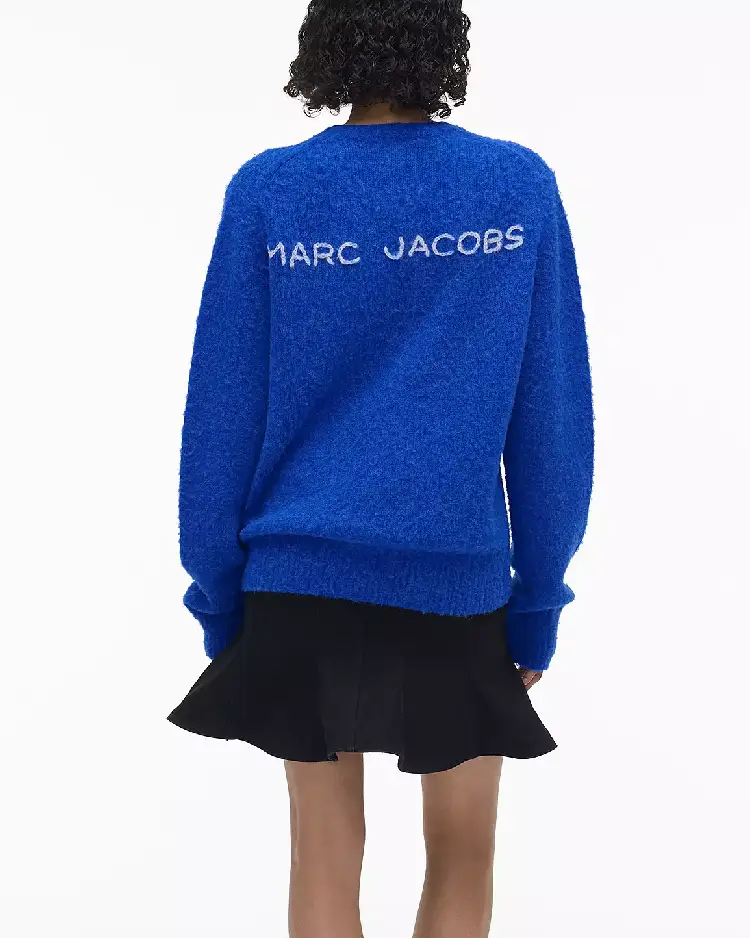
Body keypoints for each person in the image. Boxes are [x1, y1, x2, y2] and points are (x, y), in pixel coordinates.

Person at [167, 1, 595, 935]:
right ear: (444, 41)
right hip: (456, 584)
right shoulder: (514, 187)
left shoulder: (271, 190)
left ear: (325, 44)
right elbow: (551, 417)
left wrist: (221, 599)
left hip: (296, 583)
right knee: (465, 847)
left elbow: (220, 413)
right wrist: (537, 599)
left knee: (323, 850)